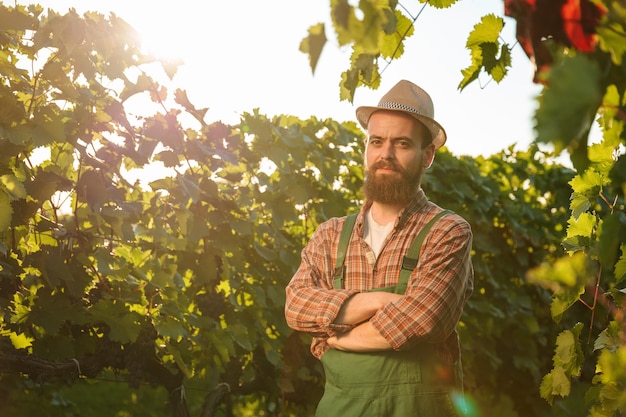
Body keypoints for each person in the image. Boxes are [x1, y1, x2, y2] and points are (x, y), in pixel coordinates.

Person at [284, 80, 474, 417]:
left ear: (427, 155)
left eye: (401, 143)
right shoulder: (330, 235)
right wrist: (379, 301)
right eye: (376, 142)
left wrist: (337, 336)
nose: (385, 155)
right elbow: (296, 307)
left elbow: (422, 320)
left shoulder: (446, 231)